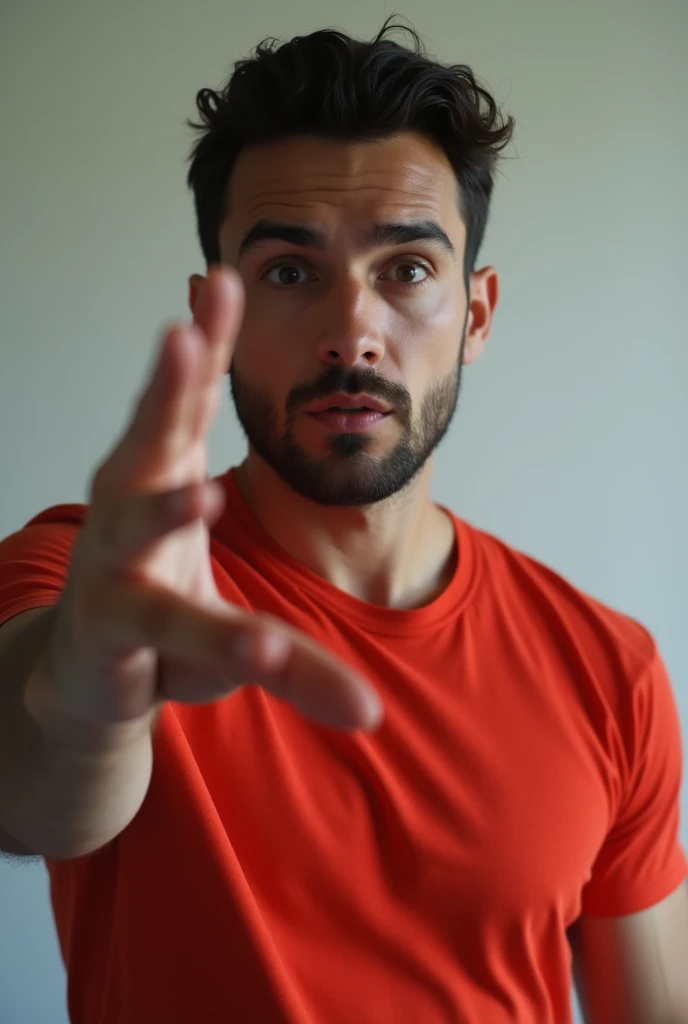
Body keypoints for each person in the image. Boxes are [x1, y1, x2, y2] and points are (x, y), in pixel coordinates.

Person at [0, 18, 687, 1024]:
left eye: (406, 269)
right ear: (213, 316)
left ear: (477, 315)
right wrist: (85, 703)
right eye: (288, 271)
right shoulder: (95, 583)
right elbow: (34, 793)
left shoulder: (608, 666)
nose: (350, 330)